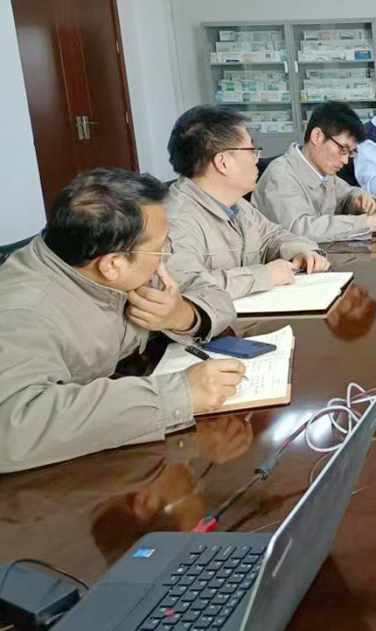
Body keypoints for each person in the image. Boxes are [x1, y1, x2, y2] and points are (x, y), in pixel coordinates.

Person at [0, 169, 244, 473]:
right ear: (112, 265)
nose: (167, 255)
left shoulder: (112, 254)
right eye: (161, 248)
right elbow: (14, 427)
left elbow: (214, 294)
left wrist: (182, 314)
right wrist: (178, 395)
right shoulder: (25, 312)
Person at [165, 105, 330, 312]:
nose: (257, 159)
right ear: (223, 162)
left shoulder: (236, 203)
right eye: (252, 150)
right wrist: (264, 275)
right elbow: (185, 288)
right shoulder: (175, 220)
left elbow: (272, 236)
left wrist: (302, 251)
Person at [252, 102, 376, 242]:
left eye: (350, 153)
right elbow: (299, 229)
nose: (345, 160)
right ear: (317, 136)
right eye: (343, 149)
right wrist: (367, 223)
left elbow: (346, 193)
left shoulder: (322, 171)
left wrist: (359, 199)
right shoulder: (280, 176)